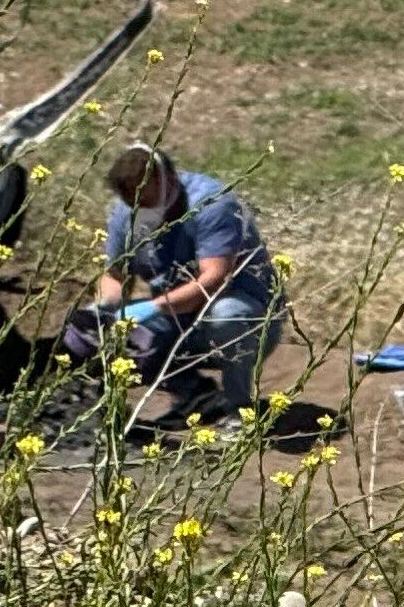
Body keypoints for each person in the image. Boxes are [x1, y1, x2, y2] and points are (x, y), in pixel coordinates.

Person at [81, 144, 281, 428]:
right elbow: (115, 275)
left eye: (145, 199)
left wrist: (152, 306)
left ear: (167, 182)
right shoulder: (127, 214)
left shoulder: (212, 205)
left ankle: (239, 410)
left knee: (228, 316)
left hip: (247, 317)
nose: (139, 208)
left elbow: (214, 281)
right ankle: (195, 395)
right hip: (177, 314)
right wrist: (102, 309)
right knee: (112, 330)